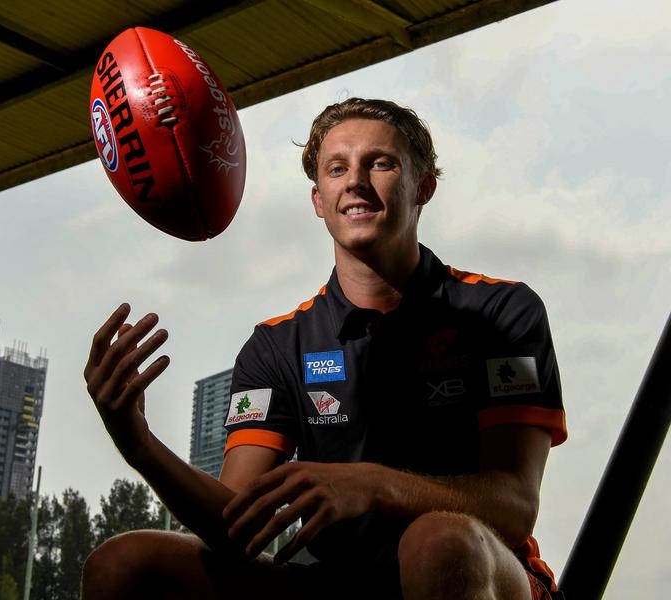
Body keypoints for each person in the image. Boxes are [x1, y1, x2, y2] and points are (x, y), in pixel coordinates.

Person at [81, 98, 567, 599]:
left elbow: (515, 508)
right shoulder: (278, 345)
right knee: (122, 564)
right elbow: (236, 525)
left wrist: (373, 485)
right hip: (342, 583)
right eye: (337, 169)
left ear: (423, 187)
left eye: (380, 163)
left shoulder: (502, 310)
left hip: (485, 571)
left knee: (438, 541)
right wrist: (139, 445)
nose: (355, 181)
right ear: (318, 200)